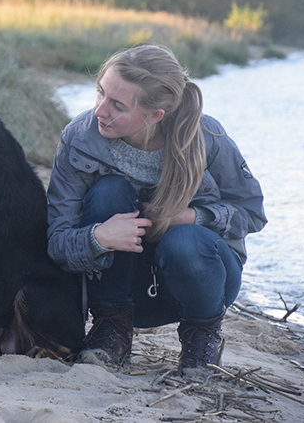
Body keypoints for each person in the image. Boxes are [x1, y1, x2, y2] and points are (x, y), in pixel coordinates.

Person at [46, 45, 266, 376]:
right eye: (100, 92)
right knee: (109, 192)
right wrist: (98, 238)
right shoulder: (80, 139)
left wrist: (193, 217)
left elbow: (252, 213)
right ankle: (111, 331)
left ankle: (201, 339)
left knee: (185, 240)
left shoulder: (207, 138)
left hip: (202, 283)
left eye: (117, 105)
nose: (99, 111)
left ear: (155, 116)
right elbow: (57, 242)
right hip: (124, 290)